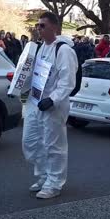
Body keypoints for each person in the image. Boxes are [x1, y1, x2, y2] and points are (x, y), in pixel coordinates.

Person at [22, 11, 78, 199]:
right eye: (38, 25)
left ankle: (54, 183)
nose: (39, 28)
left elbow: (67, 81)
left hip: (53, 106)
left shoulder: (63, 51)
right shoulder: (39, 48)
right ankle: (43, 175)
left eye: (43, 25)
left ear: (54, 27)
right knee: (31, 141)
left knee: (54, 145)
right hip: (35, 101)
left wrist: (53, 99)